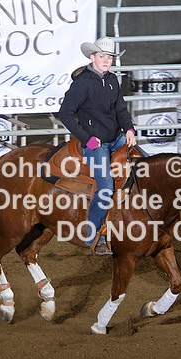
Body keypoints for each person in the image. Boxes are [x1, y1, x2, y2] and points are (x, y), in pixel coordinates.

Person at [58, 37, 137, 256]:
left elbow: (120, 109)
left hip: (116, 137)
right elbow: (65, 114)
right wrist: (87, 139)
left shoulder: (112, 80)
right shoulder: (82, 83)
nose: (106, 61)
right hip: (96, 143)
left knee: (146, 166)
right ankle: (92, 236)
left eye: (109, 57)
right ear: (92, 57)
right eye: (102, 56)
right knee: (105, 188)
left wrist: (129, 129)